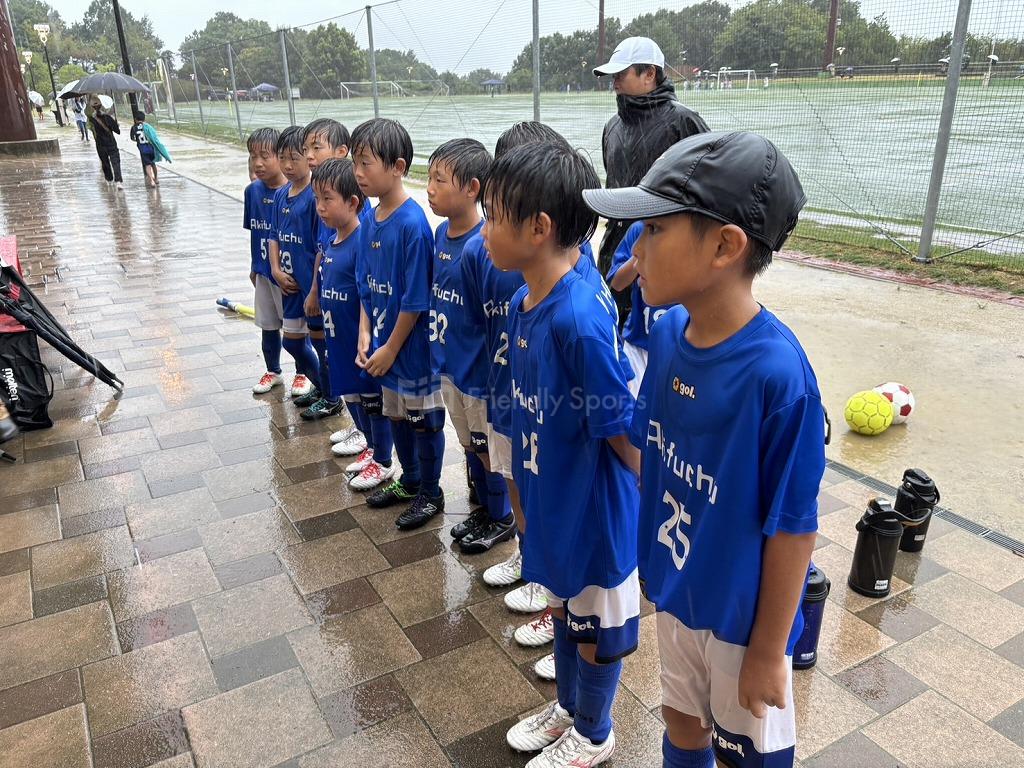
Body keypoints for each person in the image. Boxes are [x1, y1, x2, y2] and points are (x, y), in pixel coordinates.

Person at [583, 131, 826, 768]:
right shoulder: (666, 335)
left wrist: (769, 651)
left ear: (725, 246)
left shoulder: (778, 377)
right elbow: (650, 452)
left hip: (741, 621)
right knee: (682, 720)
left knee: (743, 749)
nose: (636, 248)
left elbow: (794, 528)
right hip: (677, 589)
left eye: (653, 229)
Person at [489, 141, 641, 768]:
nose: (486, 228)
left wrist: (658, 497)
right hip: (552, 493)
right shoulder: (524, 302)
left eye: (494, 215)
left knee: (597, 627)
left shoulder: (575, 317)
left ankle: (595, 732)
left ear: (539, 228)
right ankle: (569, 710)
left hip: (594, 510)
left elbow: (619, 426)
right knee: (565, 612)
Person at [351, 118, 444, 531]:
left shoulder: (412, 224)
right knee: (396, 416)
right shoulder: (370, 218)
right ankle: (409, 481)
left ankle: (432, 492)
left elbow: (416, 298)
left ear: (398, 167)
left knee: (424, 421)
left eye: (366, 163)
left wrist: (391, 347)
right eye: (355, 162)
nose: (358, 172)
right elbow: (366, 286)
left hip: (412, 350)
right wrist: (366, 334)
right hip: (384, 346)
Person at [426, 137, 515, 554]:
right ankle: (484, 509)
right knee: (469, 444)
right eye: (428, 178)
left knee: (486, 450)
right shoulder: (440, 234)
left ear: (472, 189)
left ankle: (502, 517)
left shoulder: (486, 245)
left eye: (439, 180)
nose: (429, 188)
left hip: (478, 373)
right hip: (449, 365)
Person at [593, 36, 709, 321]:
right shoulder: (612, 127)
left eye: (621, 73)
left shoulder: (684, 122)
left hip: (665, 253)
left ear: (649, 74)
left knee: (661, 330)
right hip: (615, 251)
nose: (614, 82)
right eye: (612, 75)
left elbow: (707, 194)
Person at [312, 159, 396, 492]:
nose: (320, 207)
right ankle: (371, 447)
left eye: (327, 199)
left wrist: (366, 333)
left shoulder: (361, 241)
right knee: (352, 397)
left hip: (358, 341)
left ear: (352, 202)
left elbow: (366, 292)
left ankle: (383, 460)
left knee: (373, 401)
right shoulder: (332, 241)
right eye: (317, 199)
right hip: (338, 339)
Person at [296, 117, 355, 422]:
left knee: (343, 357)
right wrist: (314, 289)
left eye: (316, 148)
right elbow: (322, 248)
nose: (309, 155)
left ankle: (334, 399)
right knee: (321, 342)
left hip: (343, 298)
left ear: (342, 151)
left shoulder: (349, 201)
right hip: (323, 287)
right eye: (306, 148)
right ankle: (326, 389)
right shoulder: (318, 196)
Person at [267, 125, 324, 405]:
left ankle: (330, 394)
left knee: (321, 345)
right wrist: (275, 270)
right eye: (282, 158)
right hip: (288, 285)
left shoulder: (316, 196)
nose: (288, 165)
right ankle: (323, 386)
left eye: (294, 158)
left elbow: (321, 247)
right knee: (291, 341)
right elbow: (274, 236)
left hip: (311, 287)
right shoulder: (281, 194)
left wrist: (314, 289)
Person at [245, 128, 289, 397]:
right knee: (268, 324)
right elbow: (255, 231)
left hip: (288, 275)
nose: (258, 163)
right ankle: (273, 370)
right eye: (253, 156)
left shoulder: (293, 192)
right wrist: (254, 267)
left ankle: (305, 374)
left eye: (265, 156)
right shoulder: (252, 192)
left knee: (296, 329)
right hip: (263, 271)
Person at [606, 221, 674, 396]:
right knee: (632, 403)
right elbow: (617, 283)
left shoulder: (683, 234)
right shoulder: (638, 229)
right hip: (637, 341)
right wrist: (641, 254)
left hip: (674, 349)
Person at [129, 111, 171, 188]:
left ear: (135, 119)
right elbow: (154, 136)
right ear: (144, 119)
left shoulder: (133, 127)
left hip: (143, 149)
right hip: (151, 148)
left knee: (147, 165)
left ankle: (151, 180)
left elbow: (132, 138)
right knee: (153, 164)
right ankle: (156, 178)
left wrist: (138, 141)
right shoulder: (148, 126)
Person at [88, 98, 123, 190]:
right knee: (115, 162)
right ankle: (118, 181)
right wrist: (116, 124)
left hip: (100, 144)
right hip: (111, 143)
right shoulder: (108, 117)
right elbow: (117, 131)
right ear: (101, 106)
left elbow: (92, 131)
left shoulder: (91, 120)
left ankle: (109, 179)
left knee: (105, 162)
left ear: (92, 107)